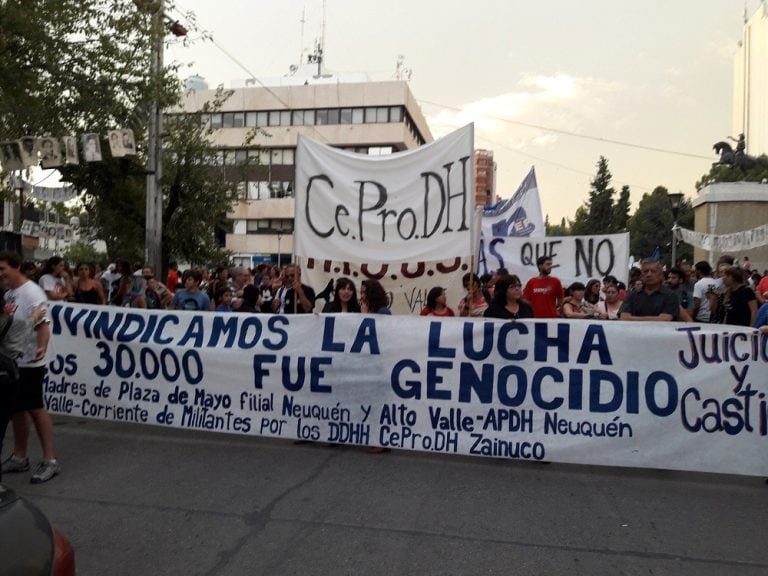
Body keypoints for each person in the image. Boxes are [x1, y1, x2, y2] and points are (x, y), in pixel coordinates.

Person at [0, 252, 60, 484]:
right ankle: (19, 456)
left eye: (3, 268)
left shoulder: (32, 292)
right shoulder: (9, 292)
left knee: (35, 407)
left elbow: (42, 322)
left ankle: (50, 460)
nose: (0, 274)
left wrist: (42, 347)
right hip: (13, 359)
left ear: (16, 267)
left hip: (31, 360)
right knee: (17, 409)